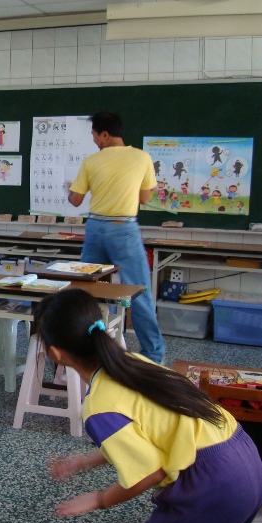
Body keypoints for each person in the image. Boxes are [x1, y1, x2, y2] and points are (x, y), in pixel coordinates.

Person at [38, 289, 262, 523]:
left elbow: (150, 471)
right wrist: (84, 462)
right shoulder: (130, 362)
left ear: (55, 354)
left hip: (212, 483)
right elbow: (143, 438)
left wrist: (100, 498)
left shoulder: (98, 407)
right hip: (245, 458)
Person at [67, 112, 165, 365]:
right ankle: (153, 355)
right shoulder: (142, 157)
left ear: (105, 135)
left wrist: (70, 189)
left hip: (95, 229)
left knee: (87, 290)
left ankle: (83, 347)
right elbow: (144, 198)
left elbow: (75, 200)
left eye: (94, 135)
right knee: (138, 291)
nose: (94, 140)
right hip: (124, 228)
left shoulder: (91, 161)